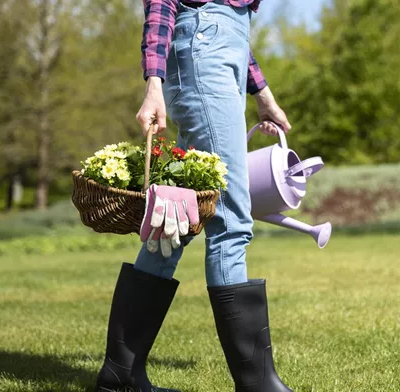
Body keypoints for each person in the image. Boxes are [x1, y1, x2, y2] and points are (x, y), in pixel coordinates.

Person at [94, 1, 294, 391]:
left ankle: (121, 375)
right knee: (230, 221)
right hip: (204, 52)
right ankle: (257, 384)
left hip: (224, 49)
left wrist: (262, 92)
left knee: (175, 221)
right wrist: (154, 83)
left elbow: (224, 13)